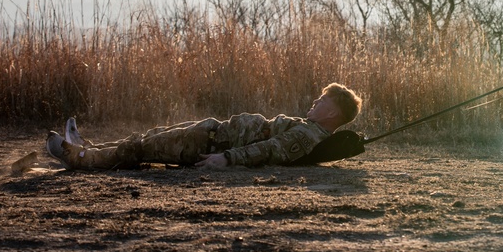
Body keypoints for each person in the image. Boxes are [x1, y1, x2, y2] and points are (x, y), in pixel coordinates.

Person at [46, 83, 362, 171]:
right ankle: (88, 148)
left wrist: (228, 159)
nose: (314, 103)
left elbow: (271, 149)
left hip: (211, 144)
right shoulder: (310, 127)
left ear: (333, 112)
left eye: (321, 102)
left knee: (142, 148)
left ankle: (79, 159)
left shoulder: (309, 133)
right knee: (151, 136)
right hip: (213, 131)